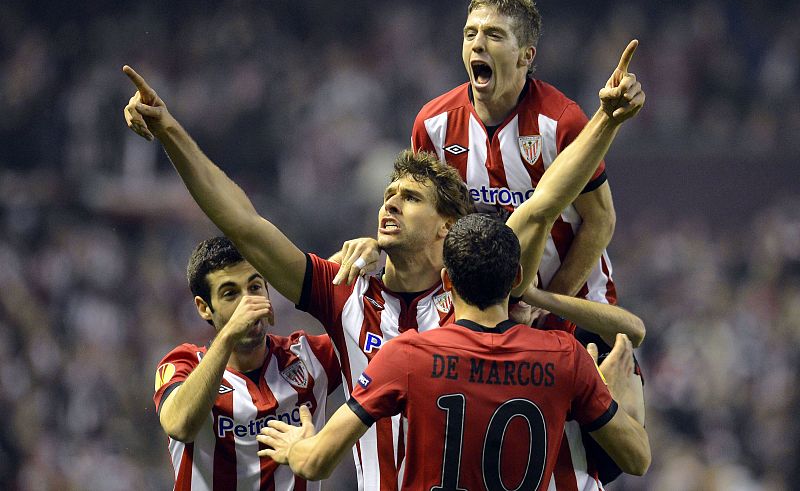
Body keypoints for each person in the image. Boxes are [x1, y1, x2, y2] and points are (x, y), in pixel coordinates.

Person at [124, 38, 643, 490]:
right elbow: (243, 224)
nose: (389, 203)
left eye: (409, 198)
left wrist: (606, 120)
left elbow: (541, 205)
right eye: (388, 194)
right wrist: (170, 130)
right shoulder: (345, 289)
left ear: (446, 227)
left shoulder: (478, 287)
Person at [256, 214, 650, 491]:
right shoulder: (564, 356)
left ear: (446, 280)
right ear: (515, 278)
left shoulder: (405, 356)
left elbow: (315, 461)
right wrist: (611, 397)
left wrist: (295, 447)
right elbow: (638, 460)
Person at [411, 0, 641, 346]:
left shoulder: (561, 121)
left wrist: (545, 306)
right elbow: (427, 223)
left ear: (525, 55)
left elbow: (600, 219)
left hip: (572, 308)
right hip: (483, 319)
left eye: (494, 35)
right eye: (470, 33)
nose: (478, 44)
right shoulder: (433, 125)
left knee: (621, 398)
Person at [153, 236, 341, 490]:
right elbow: (179, 425)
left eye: (254, 288)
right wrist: (230, 333)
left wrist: (366, 254)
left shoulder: (310, 358)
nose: (248, 303)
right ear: (204, 308)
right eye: (230, 294)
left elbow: (372, 329)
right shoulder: (184, 363)